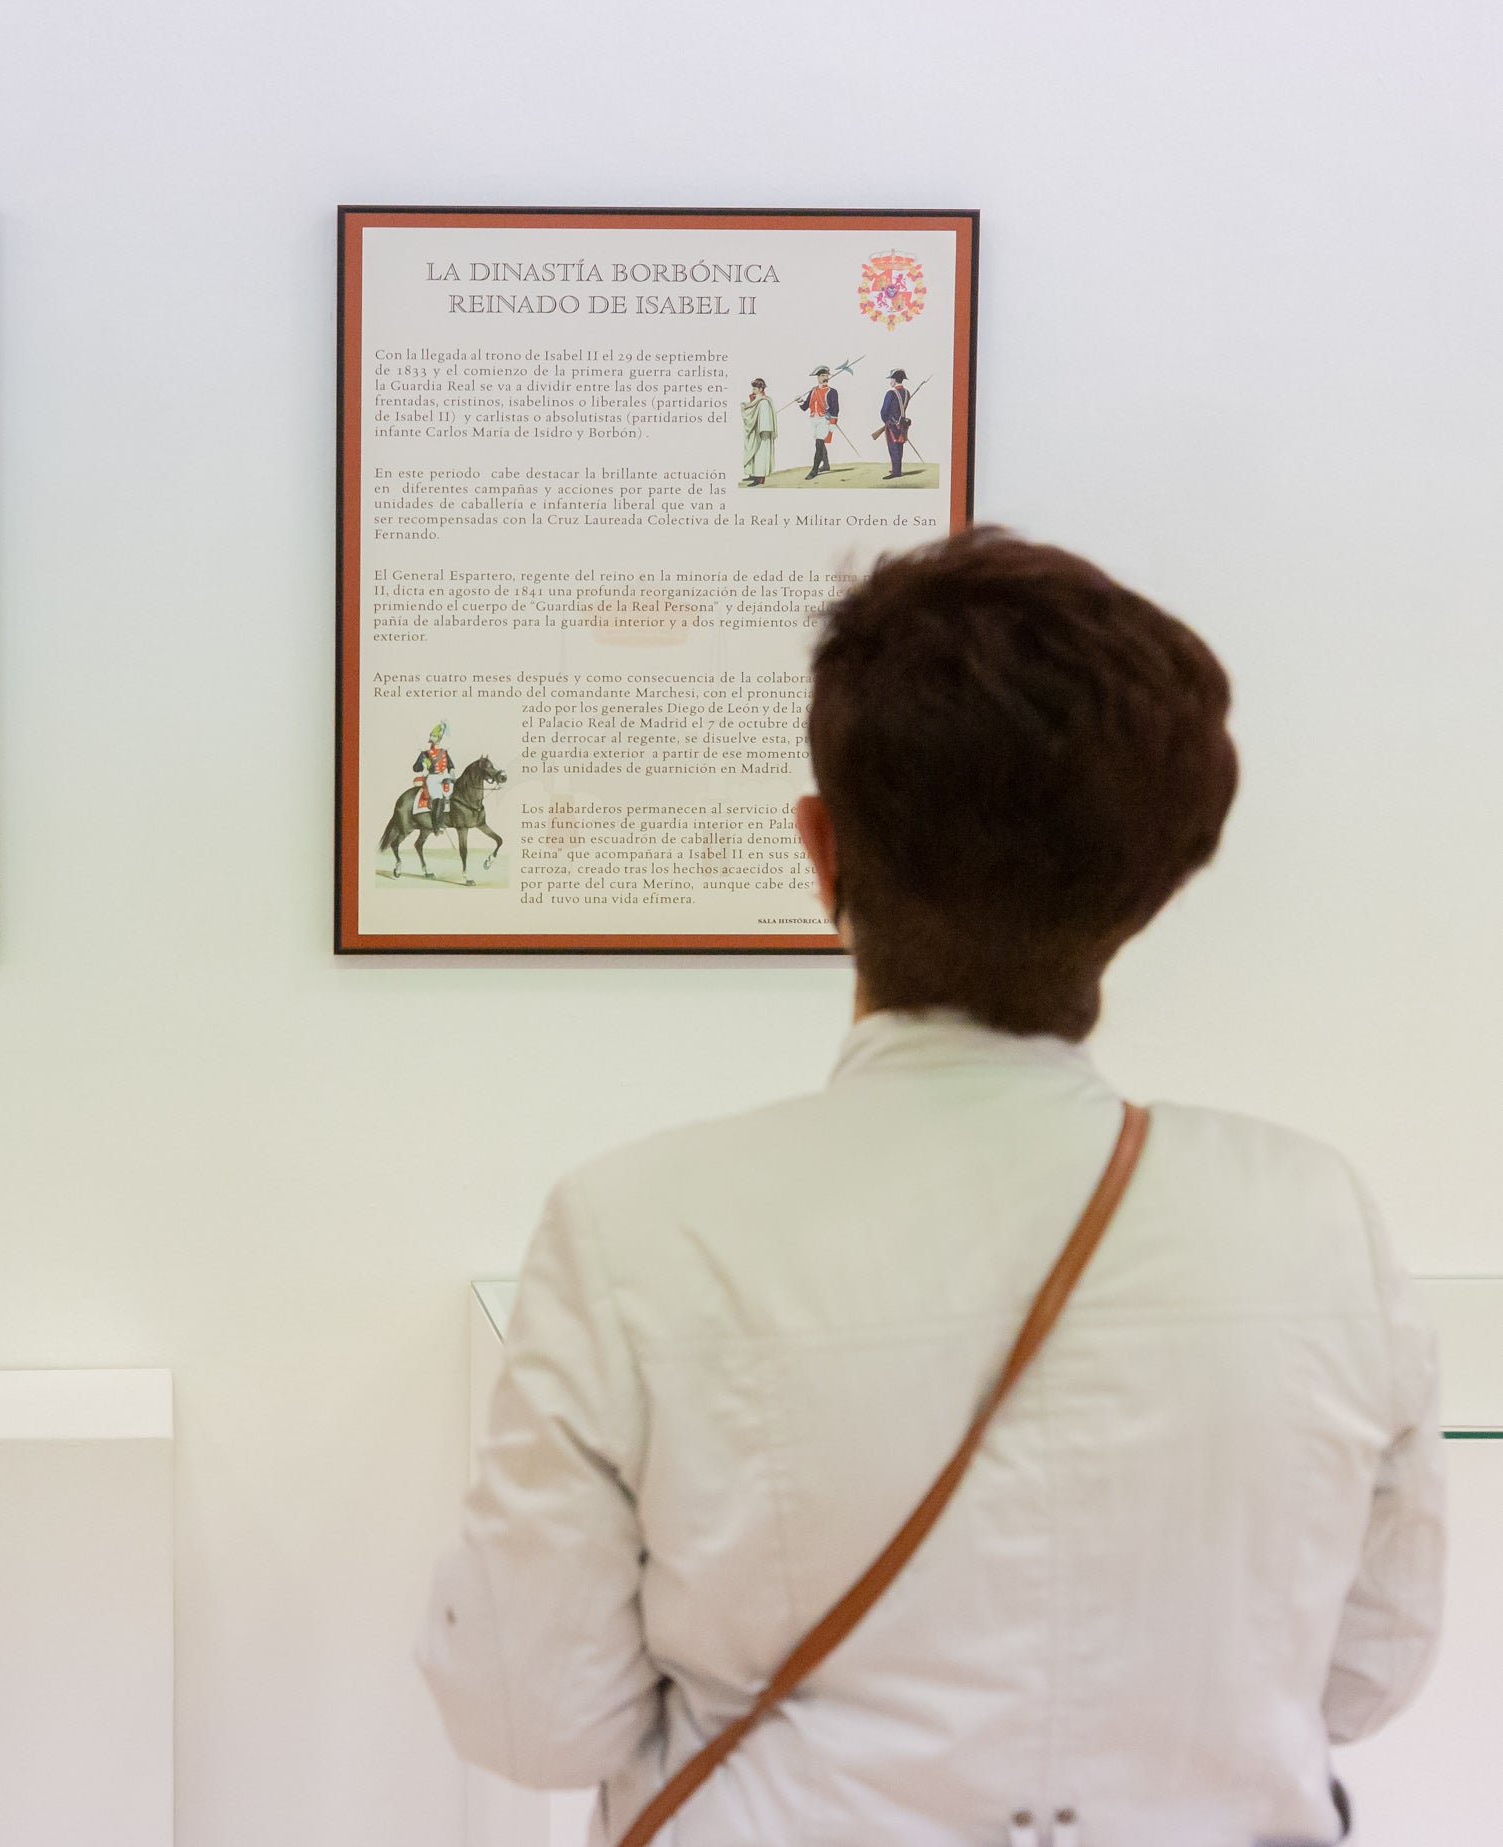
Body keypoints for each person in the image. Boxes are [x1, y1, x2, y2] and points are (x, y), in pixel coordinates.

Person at [421, 530, 1442, 1845]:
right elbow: (1365, 1670)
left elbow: (531, 1712)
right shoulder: (1317, 1218)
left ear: (819, 848)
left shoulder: (633, 1228)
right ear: (1158, 875)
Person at [797, 365, 840, 479]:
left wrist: (832, 423)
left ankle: (814, 470)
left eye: (826, 375)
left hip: (824, 420)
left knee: (819, 443)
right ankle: (825, 465)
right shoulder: (813, 390)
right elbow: (805, 407)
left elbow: (835, 409)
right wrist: (799, 401)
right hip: (813, 419)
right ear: (818, 377)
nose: (825, 377)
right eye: (822, 375)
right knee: (819, 442)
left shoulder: (832, 392)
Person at [412, 722, 455, 823]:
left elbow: (451, 766)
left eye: (435, 736)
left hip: (444, 776)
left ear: (439, 738)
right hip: (432, 778)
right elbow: (415, 768)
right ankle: (436, 825)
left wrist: (452, 774)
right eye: (432, 736)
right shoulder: (425, 753)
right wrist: (422, 764)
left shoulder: (444, 752)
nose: (432, 737)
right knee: (437, 796)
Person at [878, 368, 914, 480]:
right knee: (899, 447)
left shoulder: (891, 393)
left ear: (895, 379)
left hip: (892, 424)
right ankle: (896, 468)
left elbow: (884, 411)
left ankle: (896, 472)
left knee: (893, 448)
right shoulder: (907, 392)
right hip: (903, 424)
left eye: (891, 379)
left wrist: (887, 422)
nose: (890, 382)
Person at [740, 376, 775, 485]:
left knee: (760, 454)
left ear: (761, 389)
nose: (753, 390)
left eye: (755, 388)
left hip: (762, 433)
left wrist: (761, 432)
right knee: (753, 453)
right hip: (755, 431)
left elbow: (765, 422)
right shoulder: (756, 400)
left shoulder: (764, 401)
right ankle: (753, 475)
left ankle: (759, 478)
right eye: (753, 388)